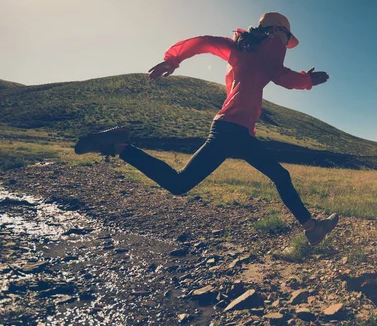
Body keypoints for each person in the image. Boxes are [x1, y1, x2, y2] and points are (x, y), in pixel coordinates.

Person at [75, 12, 338, 246]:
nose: (285, 43)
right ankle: (120, 146)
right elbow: (204, 43)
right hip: (229, 131)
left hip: (237, 133)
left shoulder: (262, 60)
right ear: (274, 32)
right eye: (285, 36)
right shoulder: (242, 50)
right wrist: (172, 59)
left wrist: (307, 80)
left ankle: (312, 229)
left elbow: (285, 78)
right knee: (180, 184)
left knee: (279, 176)